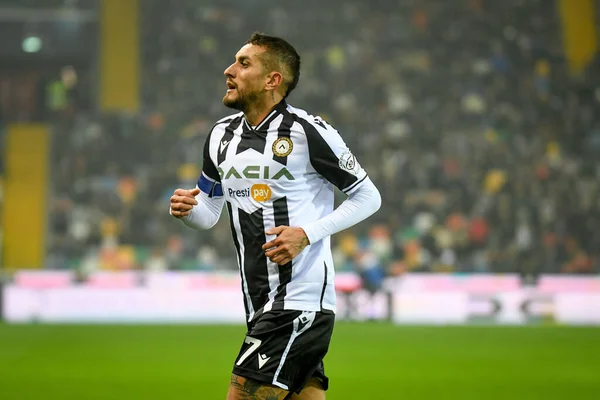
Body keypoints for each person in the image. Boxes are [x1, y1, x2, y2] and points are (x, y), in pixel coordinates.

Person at [170, 32, 381, 400]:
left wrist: (307, 233)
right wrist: (189, 210)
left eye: (243, 63)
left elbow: (368, 196)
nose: (229, 70)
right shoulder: (220, 136)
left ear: (273, 80)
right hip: (258, 302)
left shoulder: (307, 131)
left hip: (298, 299)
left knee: (241, 393)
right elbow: (209, 211)